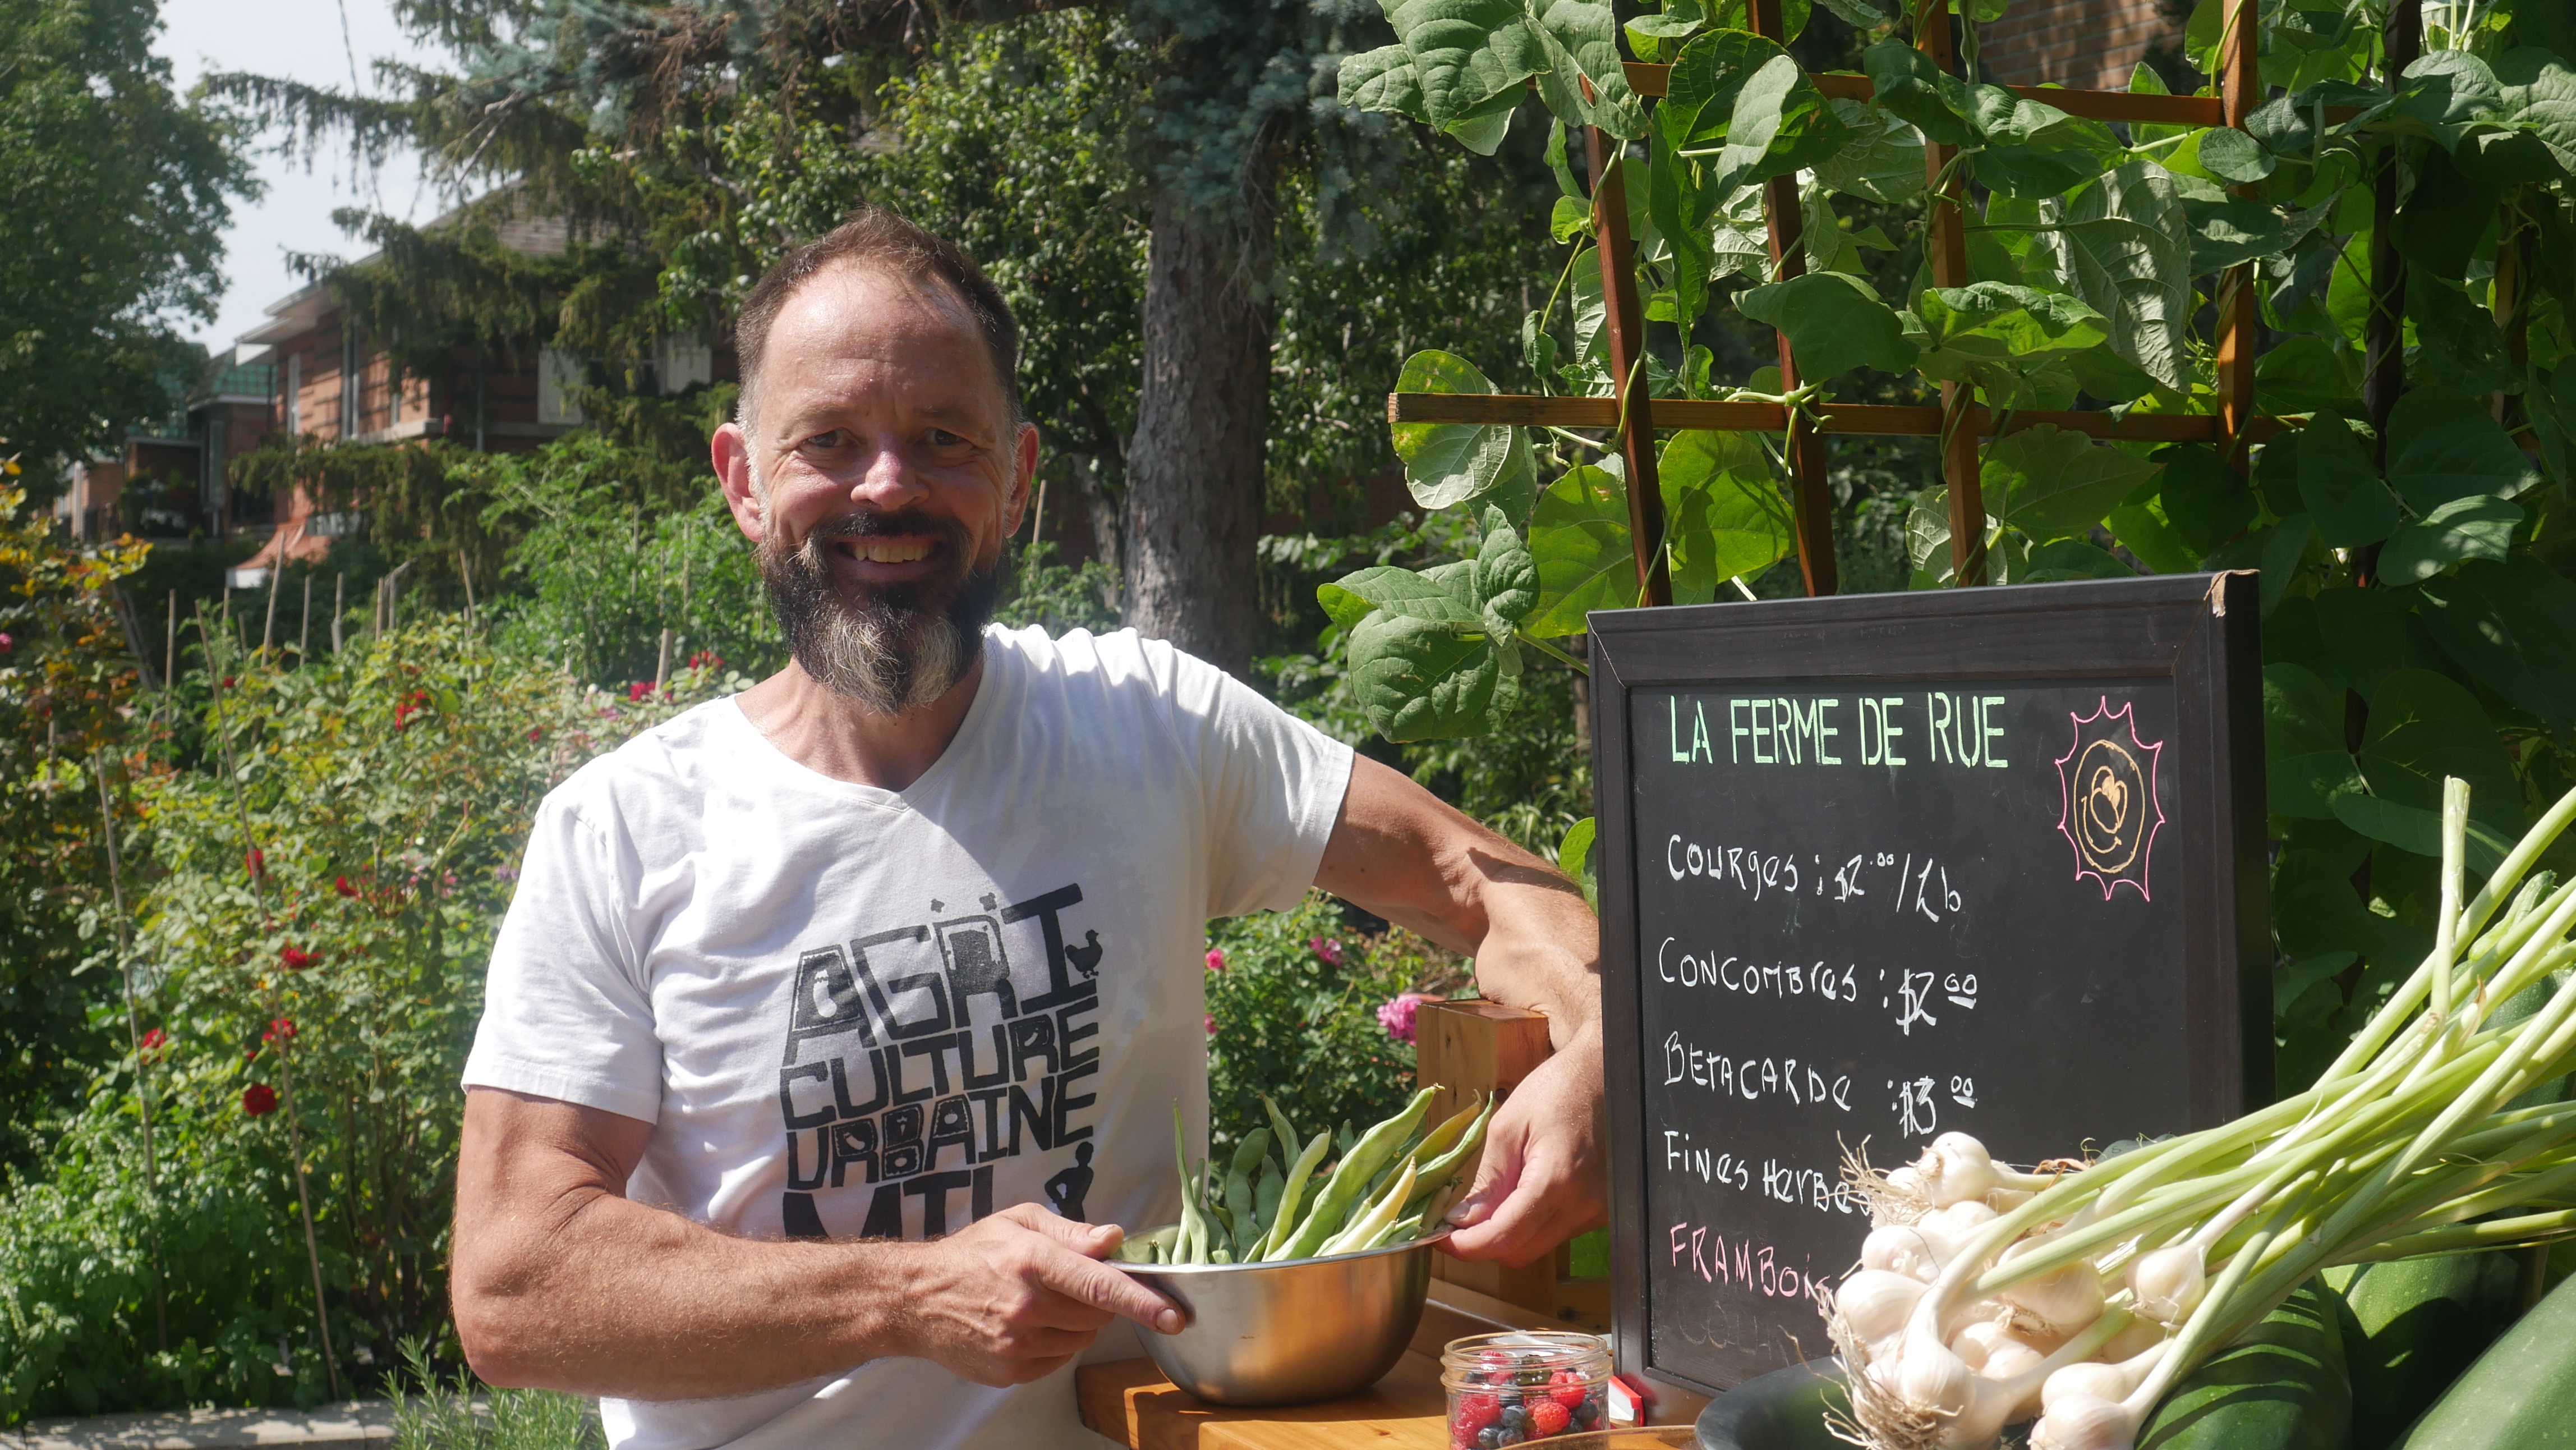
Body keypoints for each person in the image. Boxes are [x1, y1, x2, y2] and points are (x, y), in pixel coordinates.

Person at [449, 207, 1603, 1450]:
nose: (887, 484)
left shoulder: (1149, 724)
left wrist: (1602, 1047)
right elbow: (515, 1282)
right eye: (829, 440)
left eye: (942, 439)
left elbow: (1477, 876)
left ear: (1018, 476)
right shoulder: (625, 828)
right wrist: (906, 1293)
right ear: (742, 479)